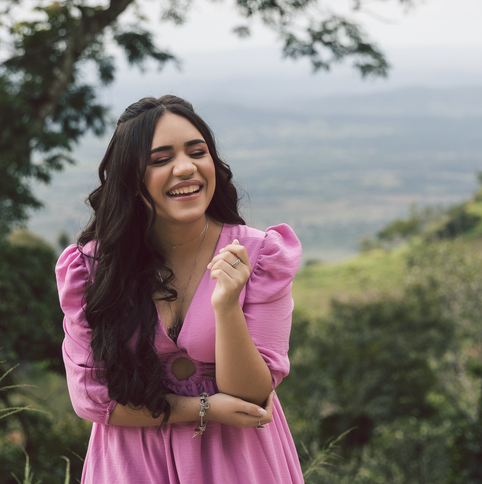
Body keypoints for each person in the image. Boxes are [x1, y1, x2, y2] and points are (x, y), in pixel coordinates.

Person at [55, 95, 305, 483]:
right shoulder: (91, 269)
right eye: (161, 159)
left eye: (197, 152)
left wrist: (226, 306)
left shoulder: (261, 256)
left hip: (239, 463)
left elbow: (253, 395)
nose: (185, 168)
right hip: (132, 466)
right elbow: (92, 398)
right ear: (130, 178)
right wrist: (202, 408)